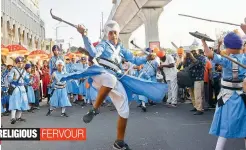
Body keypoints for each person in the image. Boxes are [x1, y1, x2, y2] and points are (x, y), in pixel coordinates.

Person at [72, 20, 167, 150]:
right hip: (101, 74)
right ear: (107, 34)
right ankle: (94, 109)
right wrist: (84, 35)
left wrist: (147, 58)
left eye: (115, 32)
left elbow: (135, 59)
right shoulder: (103, 44)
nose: (113, 35)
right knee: (110, 79)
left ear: (118, 33)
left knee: (124, 111)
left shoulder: (121, 48)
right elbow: (94, 53)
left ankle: (119, 142)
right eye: (110, 33)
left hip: (115, 79)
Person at [202, 32, 246, 150]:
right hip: (242, 98)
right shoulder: (244, 58)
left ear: (229, 48)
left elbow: (208, 54)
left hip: (228, 98)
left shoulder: (226, 60)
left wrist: (204, 42)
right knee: (244, 125)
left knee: (224, 126)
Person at [7, 57, 29, 124]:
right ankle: (13, 118)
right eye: (19, 63)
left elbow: (27, 80)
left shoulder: (24, 71)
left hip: (22, 88)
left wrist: (29, 78)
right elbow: (9, 80)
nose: (20, 64)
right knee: (14, 102)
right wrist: (12, 78)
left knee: (22, 102)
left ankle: (18, 117)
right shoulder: (13, 70)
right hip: (15, 88)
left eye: (21, 63)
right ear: (16, 63)